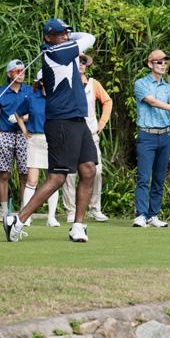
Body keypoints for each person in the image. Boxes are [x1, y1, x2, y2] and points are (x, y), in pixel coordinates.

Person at [5, 19, 97, 243]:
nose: (65, 36)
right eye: (60, 33)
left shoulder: (60, 50)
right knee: (57, 178)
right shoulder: (57, 53)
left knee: (88, 170)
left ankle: (78, 226)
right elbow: (89, 37)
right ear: (48, 37)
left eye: (67, 32)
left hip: (77, 120)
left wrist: (67, 37)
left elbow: (81, 45)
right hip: (61, 121)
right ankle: (18, 221)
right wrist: (71, 38)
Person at [133, 49, 170, 228]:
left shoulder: (168, 87)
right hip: (147, 135)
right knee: (144, 177)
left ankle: (153, 215)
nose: (163, 65)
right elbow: (152, 102)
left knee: (159, 178)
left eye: (165, 62)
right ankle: (141, 215)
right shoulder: (141, 83)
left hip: (165, 136)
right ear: (150, 64)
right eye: (159, 62)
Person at [63, 53, 113, 223]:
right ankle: (71, 210)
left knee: (96, 172)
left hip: (90, 134)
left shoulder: (93, 83)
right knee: (70, 173)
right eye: (78, 61)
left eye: (84, 62)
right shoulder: (66, 82)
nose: (81, 64)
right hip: (70, 133)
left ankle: (95, 208)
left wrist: (102, 123)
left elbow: (107, 101)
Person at [0, 59, 32, 222]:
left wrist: (23, 118)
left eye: (23, 71)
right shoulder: (0, 92)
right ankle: (4, 211)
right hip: (6, 134)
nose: (21, 74)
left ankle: (24, 212)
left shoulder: (29, 91)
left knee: (24, 174)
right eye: (17, 71)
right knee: (4, 173)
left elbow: (37, 111)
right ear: (9, 73)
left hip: (24, 134)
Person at [22, 73, 60, 227]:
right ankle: (26, 217)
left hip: (53, 141)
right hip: (35, 140)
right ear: (42, 82)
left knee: (53, 179)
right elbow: (18, 113)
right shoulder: (31, 97)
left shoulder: (57, 97)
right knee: (32, 180)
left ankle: (51, 217)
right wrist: (24, 130)